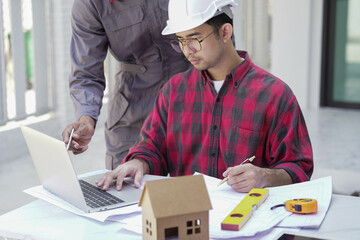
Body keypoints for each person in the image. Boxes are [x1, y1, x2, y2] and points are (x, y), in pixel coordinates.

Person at [96, 0, 313, 193]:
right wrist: (139, 163)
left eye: (194, 38)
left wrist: (265, 176)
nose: (187, 50)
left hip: (248, 223)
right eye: (180, 41)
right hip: (187, 220)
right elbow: (151, 148)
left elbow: (299, 167)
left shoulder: (274, 95)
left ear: (225, 32)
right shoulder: (174, 92)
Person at [62, 0, 190, 169]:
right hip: (133, 105)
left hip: (194, 95)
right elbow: (86, 72)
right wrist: (86, 118)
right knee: (123, 184)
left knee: (197, 186)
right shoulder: (90, 4)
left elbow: (217, 34)